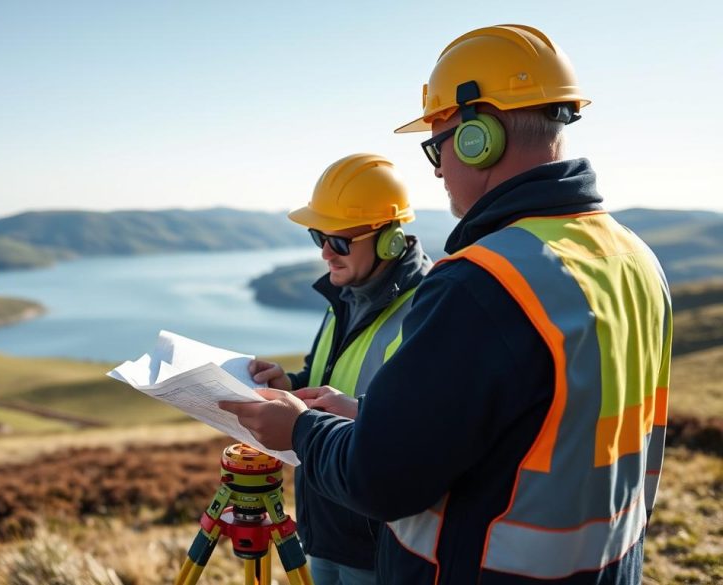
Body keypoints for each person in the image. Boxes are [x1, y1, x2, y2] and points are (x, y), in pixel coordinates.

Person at [222, 24, 672, 584]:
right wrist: (365, 416)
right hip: (606, 566)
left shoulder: (483, 282)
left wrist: (303, 431)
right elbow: (539, 422)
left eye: (438, 144)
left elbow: (381, 478)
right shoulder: (635, 258)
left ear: (478, 136)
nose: (436, 168)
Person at [248, 153, 431, 584]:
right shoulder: (344, 298)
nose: (326, 253)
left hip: (378, 544)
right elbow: (325, 379)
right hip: (325, 526)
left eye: (341, 242)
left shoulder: (426, 309)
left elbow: (424, 427)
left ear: (388, 238)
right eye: (319, 237)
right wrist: (289, 385)